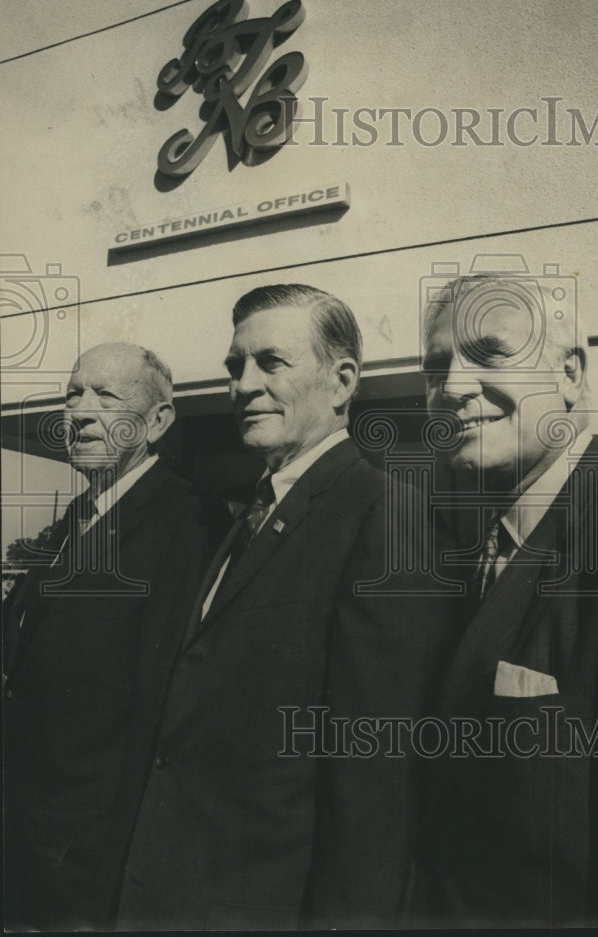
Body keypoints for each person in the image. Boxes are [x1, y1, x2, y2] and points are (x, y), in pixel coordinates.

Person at [116, 284, 450, 931]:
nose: (243, 384)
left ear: (341, 381)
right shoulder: (251, 512)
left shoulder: (387, 515)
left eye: (271, 362)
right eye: (234, 367)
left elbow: (374, 773)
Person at [418, 273, 598, 926]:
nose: (455, 388)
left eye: (489, 354)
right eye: (437, 368)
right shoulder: (457, 551)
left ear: (572, 376)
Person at [3, 342, 216, 931]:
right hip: (30, 847)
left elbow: (164, 717)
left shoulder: (191, 524)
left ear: (158, 421)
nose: (82, 411)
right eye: (74, 393)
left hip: (94, 867)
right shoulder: (77, 517)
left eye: (108, 395)